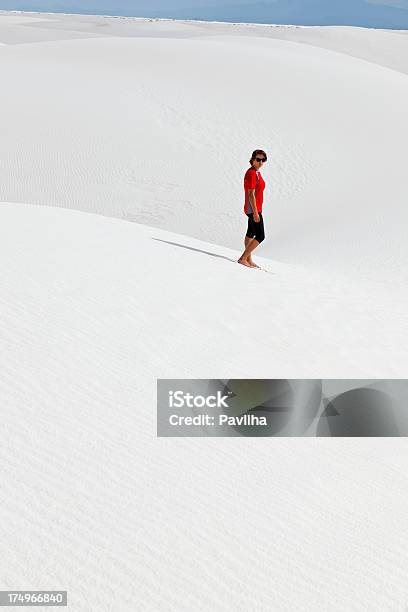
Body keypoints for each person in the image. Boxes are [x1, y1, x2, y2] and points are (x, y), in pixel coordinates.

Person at [238, 149, 267, 268]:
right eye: (258, 159)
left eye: (263, 160)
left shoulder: (256, 173)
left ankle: (248, 259)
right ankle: (243, 258)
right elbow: (251, 194)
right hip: (253, 209)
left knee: (250, 233)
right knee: (260, 236)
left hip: (256, 208)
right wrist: (255, 212)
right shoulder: (251, 173)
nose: (260, 162)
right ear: (253, 160)